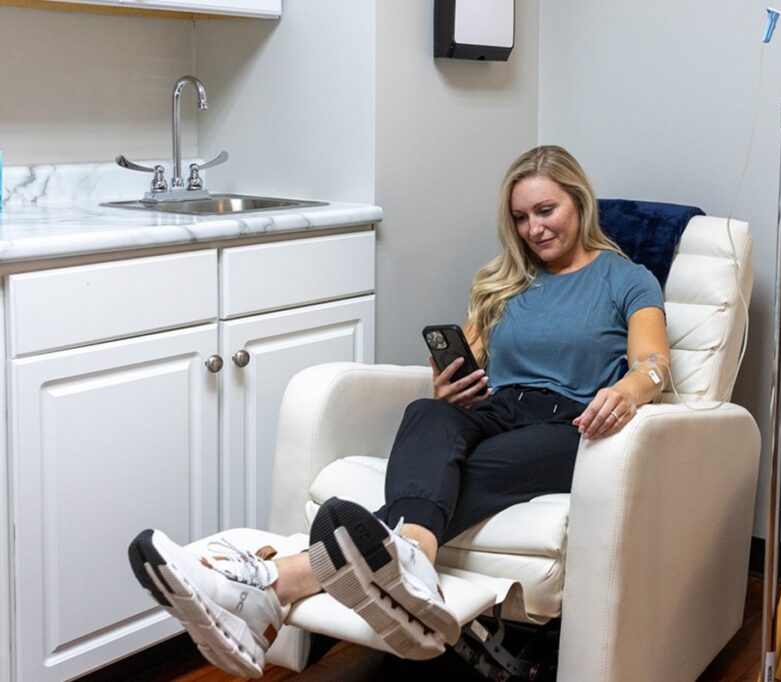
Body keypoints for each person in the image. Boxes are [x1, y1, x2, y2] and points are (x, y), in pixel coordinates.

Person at [127, 145, 671, 679]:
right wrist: (446, 386)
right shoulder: (506, 282)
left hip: (570, 422)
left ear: (579, 202)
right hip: (498, 405)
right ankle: (410, 561)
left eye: (546, 211)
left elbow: (653, 362)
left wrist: (630, 388)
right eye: (521, 217)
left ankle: (277, 583)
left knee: (467, 470)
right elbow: (469, 364)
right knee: (426, 416)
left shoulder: (625, 278)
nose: (534, 229)